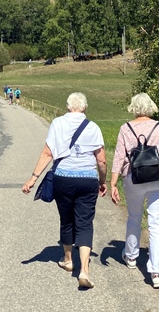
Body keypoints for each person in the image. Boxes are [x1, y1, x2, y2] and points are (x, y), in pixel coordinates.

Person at [22, 92, 107, 288]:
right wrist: (102, 181)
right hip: (87, 179)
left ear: (68, 107)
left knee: (67, 218)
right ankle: (84, 270)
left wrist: (33, 178)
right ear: (84, 108)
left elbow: (47, 153)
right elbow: (101, 159)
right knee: (85, 223)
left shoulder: (57, 123)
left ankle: (68, 259)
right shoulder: (93, 127)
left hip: (63, 178)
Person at [110, 93, 159, 289]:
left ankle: (131, 256)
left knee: (134, 216)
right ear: (151, 107)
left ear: (134, 107)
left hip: (134, 177)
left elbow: (119, 157)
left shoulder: (125, 128)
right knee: (156, 222)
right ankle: (156, 272)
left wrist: (113, 183)